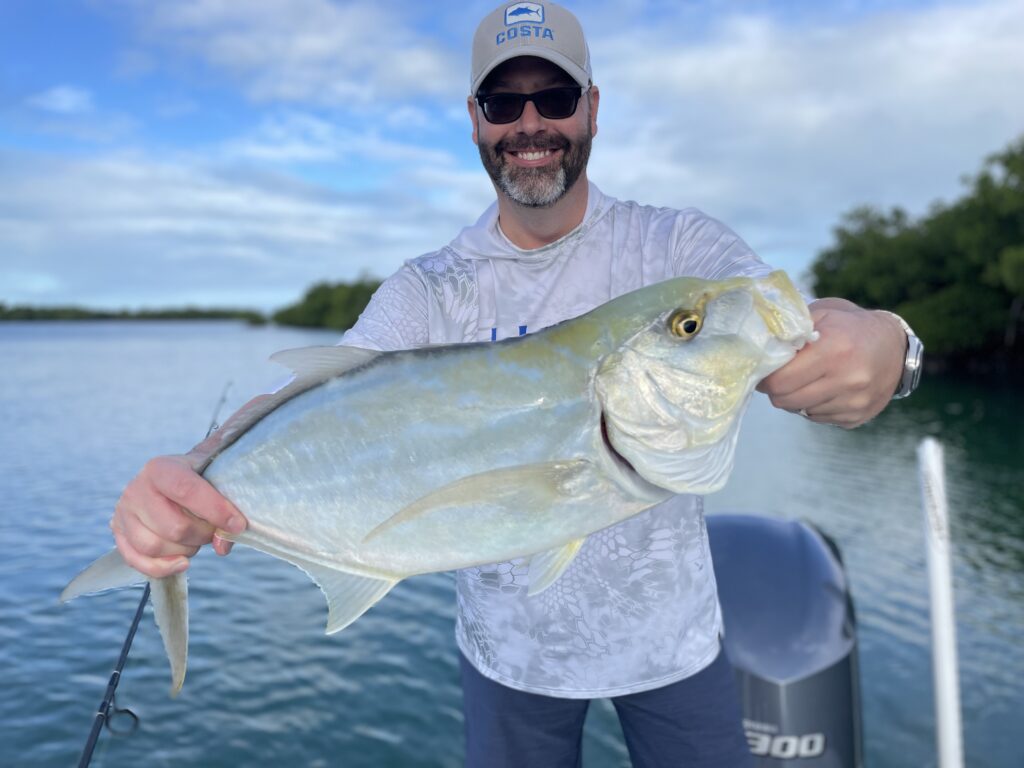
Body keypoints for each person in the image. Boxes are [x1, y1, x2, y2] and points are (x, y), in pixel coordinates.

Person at [111, 3, 920, 766]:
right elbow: (322, 400)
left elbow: (798, 322)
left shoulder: (675, 250)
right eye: (505, 102)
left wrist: (890, 344)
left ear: (593, 108)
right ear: (476, 120)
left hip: (675, 646)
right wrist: (196, 473)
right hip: (507, 660)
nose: (531, 124)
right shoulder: (431, 290)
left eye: (554, 96)